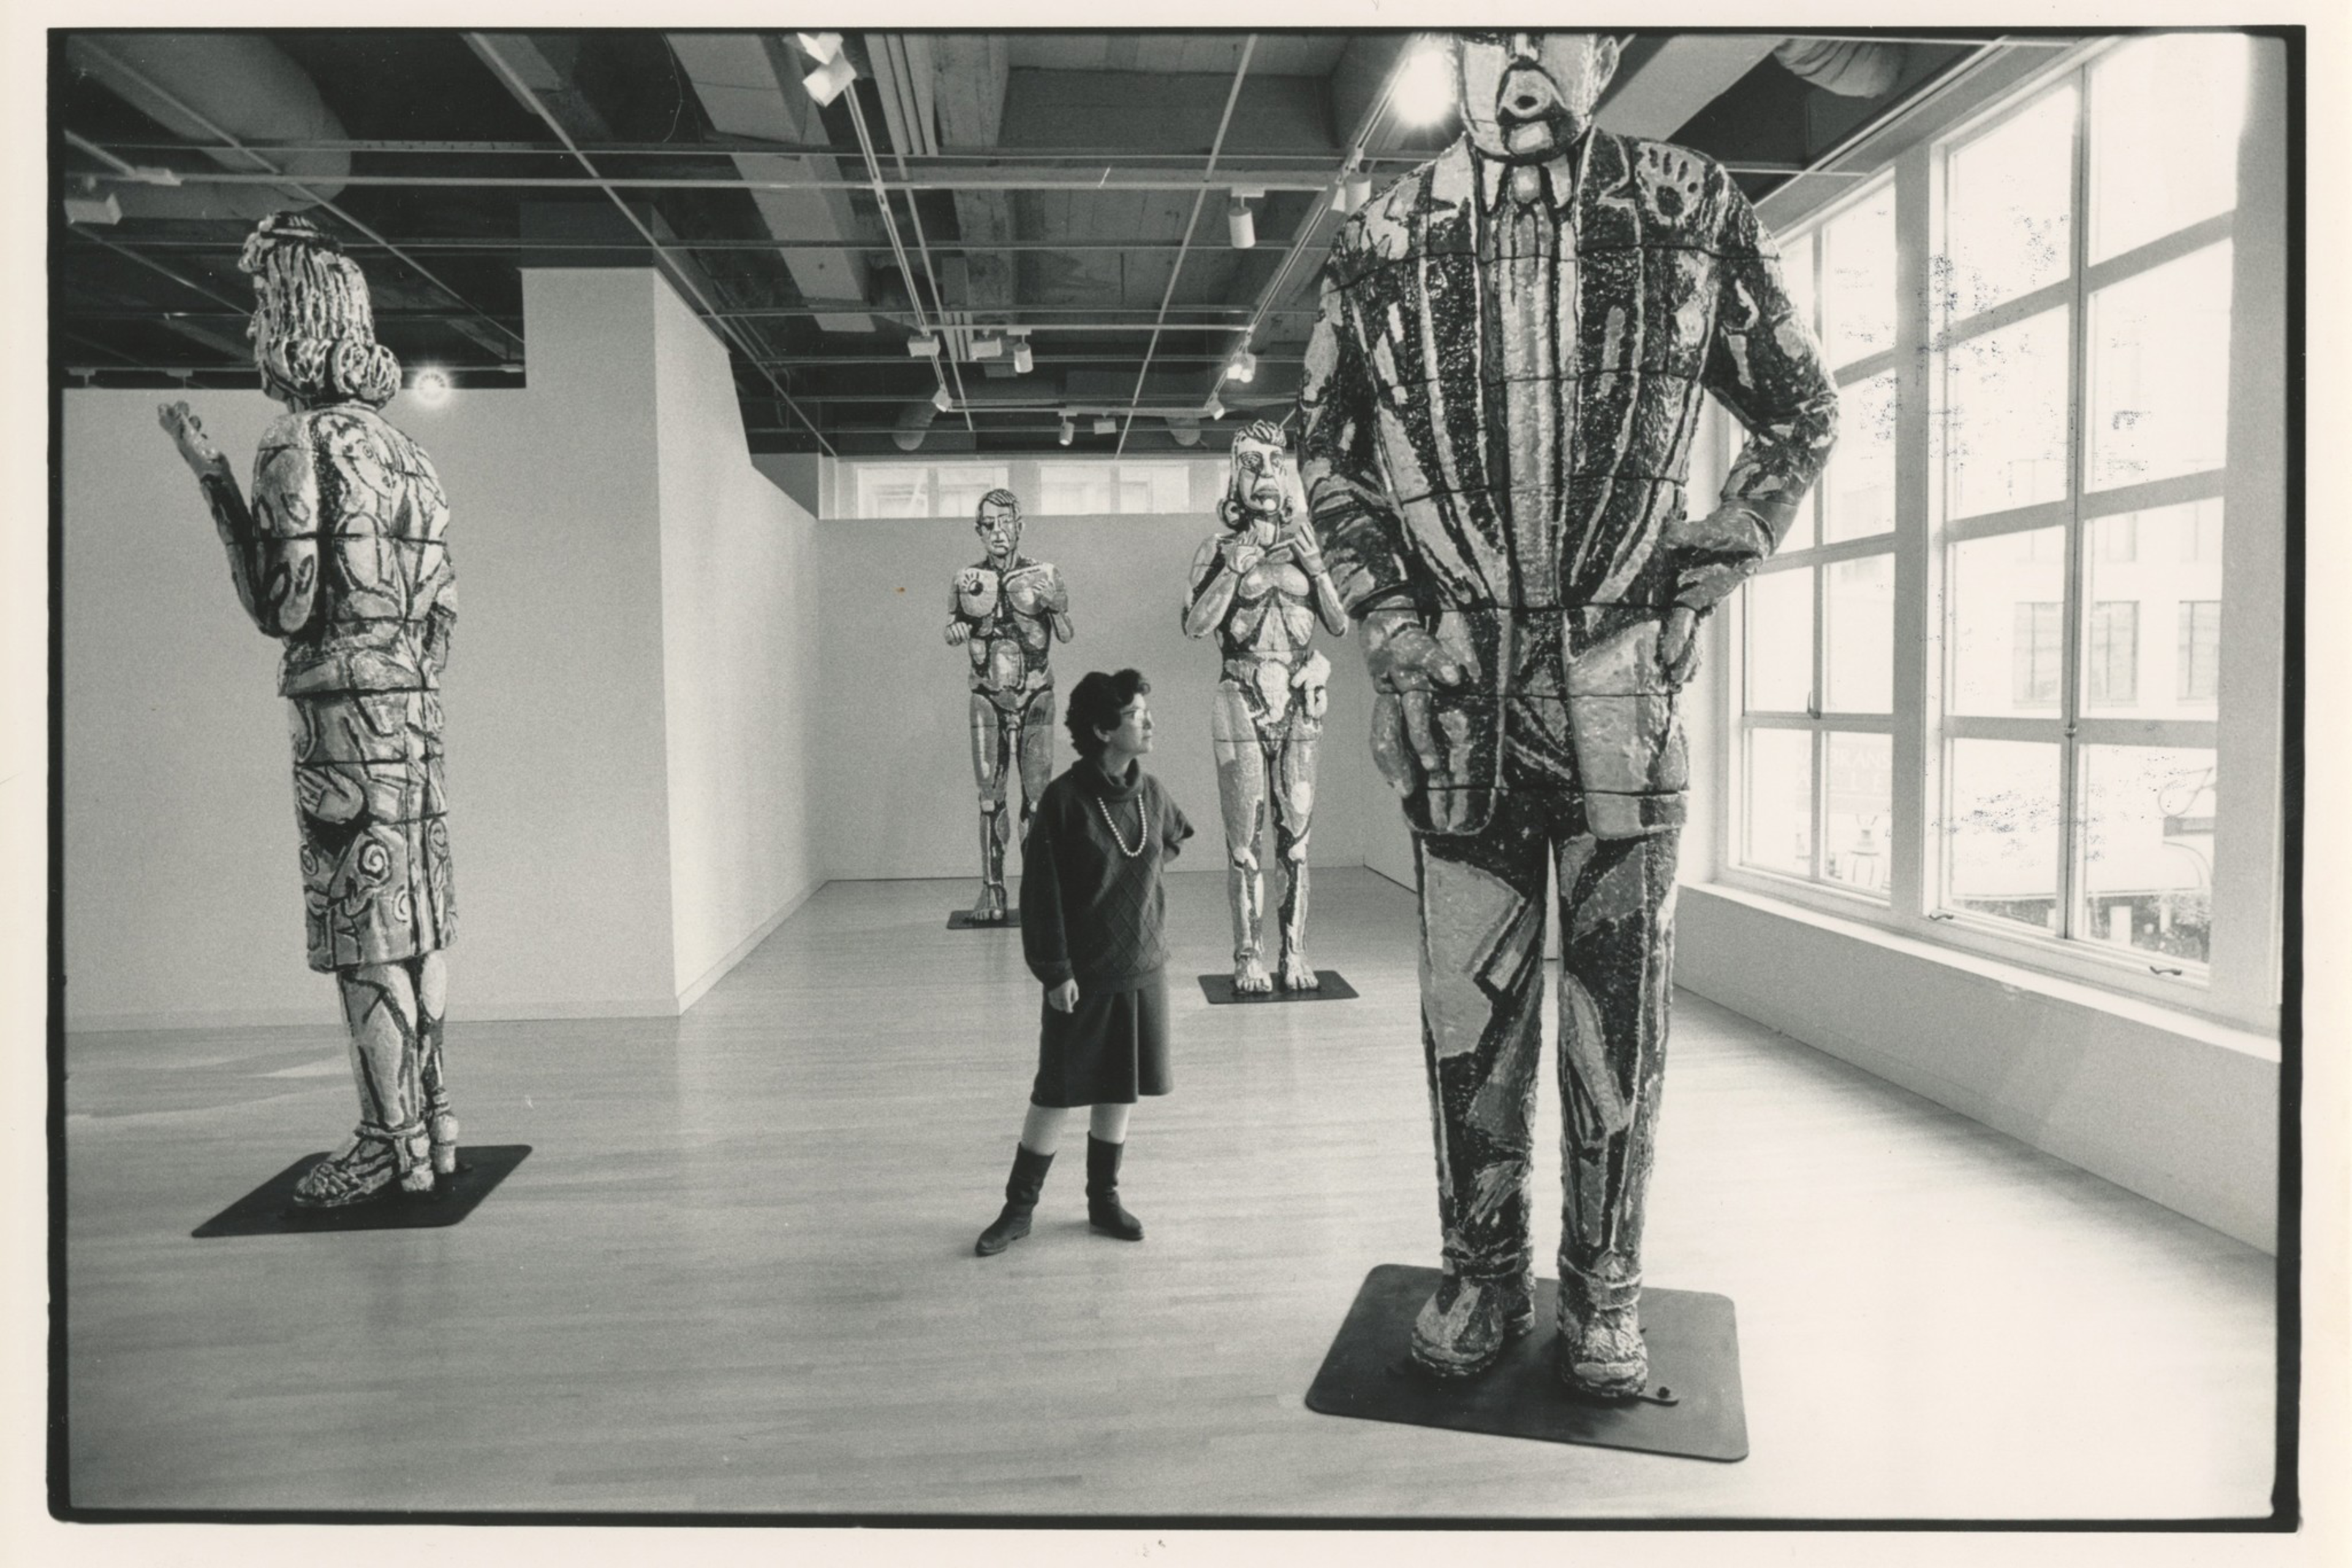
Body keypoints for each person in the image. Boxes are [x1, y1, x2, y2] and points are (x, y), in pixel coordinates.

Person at [1296, 32, 1837, 1393]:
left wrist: (1712, 556)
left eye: (1559, 28)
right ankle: (1480, 1274)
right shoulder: (1382, 236)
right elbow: (1324, 447)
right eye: (1493, 33)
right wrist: (1393, 621)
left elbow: (1798, 410)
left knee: (1619, 1011)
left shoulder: (1685, 204)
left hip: (1621, 681)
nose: (1524, 58)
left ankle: (1604, 1292)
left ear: (1603, 49)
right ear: (1456, 51)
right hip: (1455, 691)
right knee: (1465, 1015)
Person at [158, 211, 462, 1208]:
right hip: (413, 717)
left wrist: (212, 479)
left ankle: (385, 1144)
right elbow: (441, 612)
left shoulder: (295, 444)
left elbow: (281, 606)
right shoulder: (408, 456)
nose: (254, 330)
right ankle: (432, 1131)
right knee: (418, 923)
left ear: (291, 322)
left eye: (262, 311)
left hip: (338, 721)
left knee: (362, 936)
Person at [975, 669, 1193, 1256]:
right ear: (1102, 729)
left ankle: (1104, 1200)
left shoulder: (1152, 794)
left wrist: (1138, 887)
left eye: (1145, 711)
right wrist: (1056, 970)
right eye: (1136, 715)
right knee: (1056, 1092)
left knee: (1119, 1089)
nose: (1149, 722)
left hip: (1142, 967)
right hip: (1083, 975)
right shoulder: (1064, 801)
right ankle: (1018, 1210)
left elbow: (1171, 839)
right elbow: (1040, 895)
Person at [1182, 420, 1347, 994]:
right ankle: (1247, 956)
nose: (1266, 475)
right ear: (1235, 476)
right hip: (1239, 695)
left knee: (1297, 842)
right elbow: (1195, 625)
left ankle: (1295, 953)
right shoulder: (1218, 549)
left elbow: (1337, 624)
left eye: (1275, 461)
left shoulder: (1306, 547)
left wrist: (1318, 570)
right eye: (1251, 464)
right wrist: (1234, 569)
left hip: (1299, 702)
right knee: (1245, 846)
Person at [943, 489, 1073, 924]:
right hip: (986, 694)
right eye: (988, 525)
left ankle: (1039, 891)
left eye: (1005, 523)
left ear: (1020, 525)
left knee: (1037, 801)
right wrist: (956, 633)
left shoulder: (1045, 574)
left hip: (1036, 693)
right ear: (978, 530)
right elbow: (953, 627)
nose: (998, 532)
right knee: (989, 798)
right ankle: (992, 888)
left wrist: (1055, 606)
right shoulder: (966, 579)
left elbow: (1066, 632)